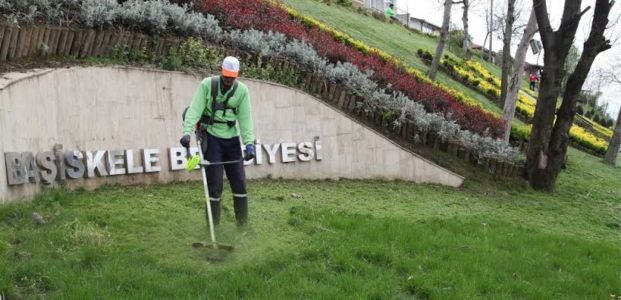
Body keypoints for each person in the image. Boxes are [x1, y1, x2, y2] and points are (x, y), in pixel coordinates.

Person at [180, 56, 256, 226]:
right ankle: (212, 227)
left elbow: (245, 119)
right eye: (226, 75)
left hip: (232, 139)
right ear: (221, 71)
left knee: (239, 183)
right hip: (212, 138)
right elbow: (194, 109)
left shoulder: (242, 91)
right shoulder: (207, 85)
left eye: (232, 77)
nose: (229, 80)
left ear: (237, 75)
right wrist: (186, 132)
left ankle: (242, 226)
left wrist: (249, 144)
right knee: (214, 186)